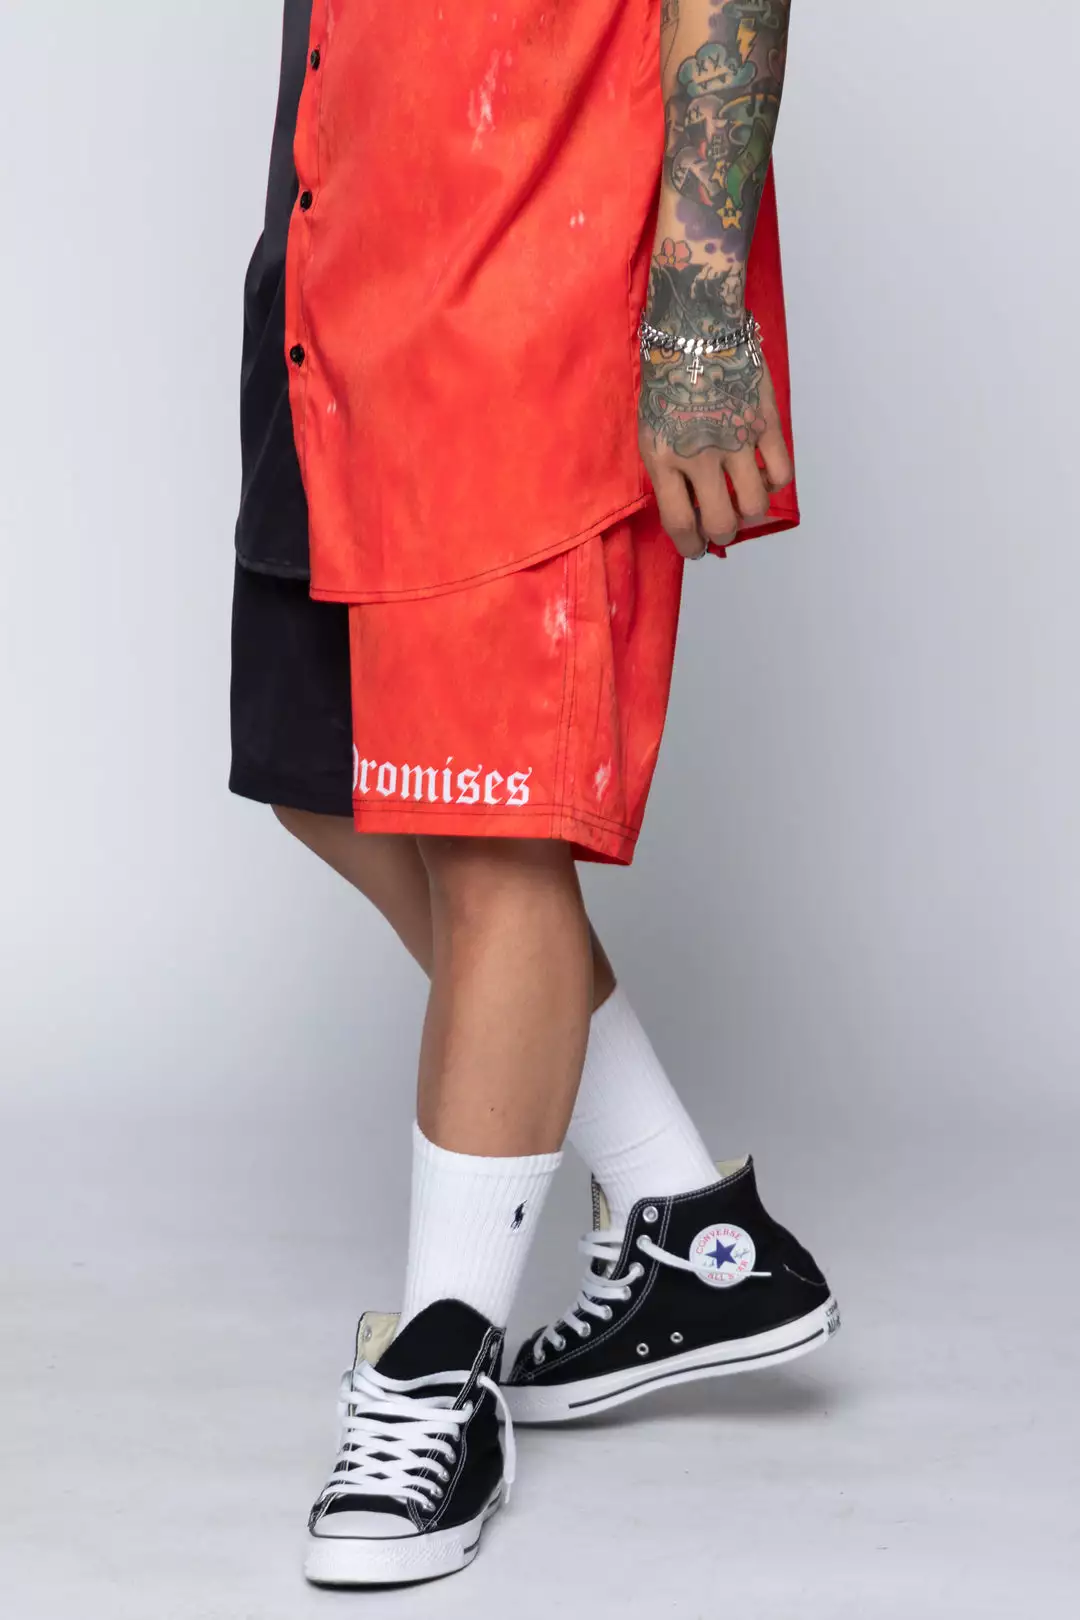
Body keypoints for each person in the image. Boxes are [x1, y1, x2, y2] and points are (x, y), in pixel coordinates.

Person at [230, 0, 838, 1587]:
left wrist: (696, 306)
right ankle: (688, 1222)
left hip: (526, 298)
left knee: (498, 838)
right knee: (330, 784)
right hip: (338, 271)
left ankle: (439, 1373)